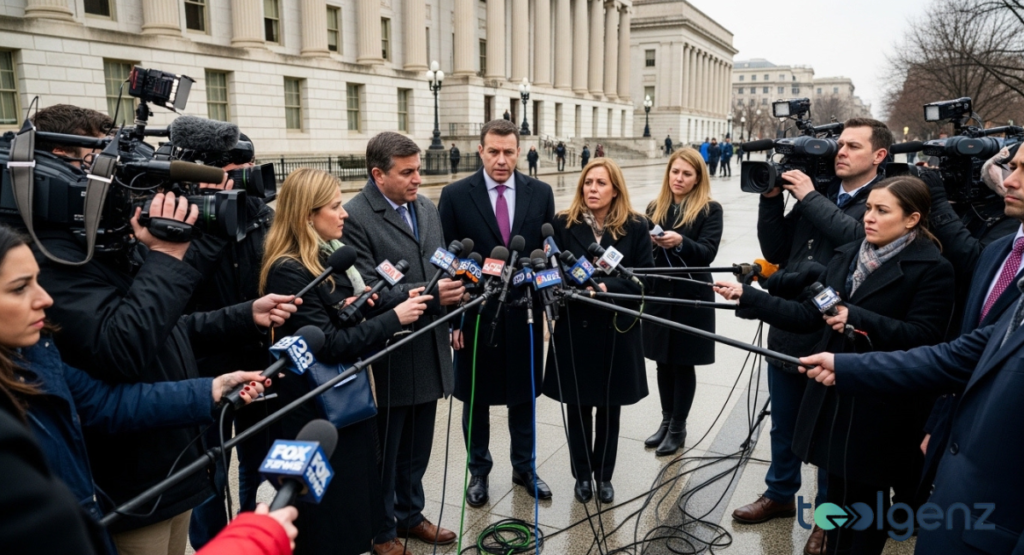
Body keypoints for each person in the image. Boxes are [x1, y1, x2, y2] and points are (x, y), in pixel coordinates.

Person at [26, 105, 299, 555]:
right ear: (65, 158)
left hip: (175, 457)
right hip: (132, 482)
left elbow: (166, 325)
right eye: (106, 156)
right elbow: (124, 349)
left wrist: (244, 313)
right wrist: (171, 254)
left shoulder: (105, 235)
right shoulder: (55, 254)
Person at [0, 222, 278, 553]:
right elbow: (126, 346)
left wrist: (211, 389)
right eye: (20, 288)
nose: (45, 299)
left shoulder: (37, 354)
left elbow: (107, 403)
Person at [716, 176, 954, 554]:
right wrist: (750, 296)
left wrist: (857, 318)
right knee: (837, 506)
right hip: (834, 403)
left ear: (911, 219)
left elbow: (923, 338)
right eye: (869, 208)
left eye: (882, 211)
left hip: (881, 412)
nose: (869, 218)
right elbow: (807, 315)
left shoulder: (933, 268)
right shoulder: (847, 254)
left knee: (863, 521)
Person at [735, 117, 892, 555]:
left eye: (853, 146)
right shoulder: (818, 193)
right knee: (783, 423)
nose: (841, 152)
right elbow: (777, 251)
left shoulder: (882, 200)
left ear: (878, 155)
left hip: (836, 334)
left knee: (828, 433)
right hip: (790, 323)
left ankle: (826, 517)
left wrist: (807, 197)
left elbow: (858, 242)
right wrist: (771, 199)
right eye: (839, 144)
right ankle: (780, 494)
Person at [260, 168, 433, 555]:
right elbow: (328, 345)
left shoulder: (323, 260)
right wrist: (393, 319)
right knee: (331, 522)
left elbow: (329, 324)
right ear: (308, 215)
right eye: (336, 206)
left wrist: (354, 308)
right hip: (316, 410)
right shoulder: (289, 270)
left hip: (344, 406)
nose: (345, 214)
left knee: (356, 510)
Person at [342, 133, 464, 555]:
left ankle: (411, 515)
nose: (418, 179)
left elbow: (443, 262)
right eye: (407, 172)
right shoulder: (355, 216)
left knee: (417, 448)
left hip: (430, 349)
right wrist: (432, 294)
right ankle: (381, 530)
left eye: (418, 170)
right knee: (386, 453)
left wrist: (458, 294)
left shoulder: (427, 207)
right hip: (390, 353)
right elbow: (365, 288)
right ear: (378, 175)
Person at [438, 119, 556, 507]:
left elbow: (544, 250)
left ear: (519, 152)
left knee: (525, 395)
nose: (501, 160)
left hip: (523, 313)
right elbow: (452, 260)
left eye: (508, 152)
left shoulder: (540, 192)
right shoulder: (455, 195)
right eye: (494, 152)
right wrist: (454, 319)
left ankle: (525, 466)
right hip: (475, 313)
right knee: (476, 397)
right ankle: (478, 472)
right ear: (481, 151)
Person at [186, 132, 279, 549]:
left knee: (257, 461)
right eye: (230, 174)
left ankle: (248, 532)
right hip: (206, 371)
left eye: (246, 172)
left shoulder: (265, 217)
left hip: (259, 364)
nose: (240, 182)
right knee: (208, 473)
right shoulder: (187, 221)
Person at [543, 158, 653, 504]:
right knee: (577, 407)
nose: (592, 189)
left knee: (609, 407)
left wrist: (607, 289)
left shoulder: (635, 226)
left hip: (616, 329)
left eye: (601, 183)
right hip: (576, 327)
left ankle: (604, 475)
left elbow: (644, 280)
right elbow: (553, 270)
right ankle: (582, 475)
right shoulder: (563, 223)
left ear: (615, 188)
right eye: (588, 182)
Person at [643, 148, 723, 456]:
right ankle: (665, 421)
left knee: (682, 362)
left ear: (697, 178)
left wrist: (681, 242)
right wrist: (649, 243)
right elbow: (643, 253)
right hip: (660, 294)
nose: (679, 178)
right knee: (662, 361)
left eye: (687, 174)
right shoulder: (655, 206)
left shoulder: (709, 209)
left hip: (691, 296)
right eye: (675, 172)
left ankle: (679, 426)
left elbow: (707, 253)